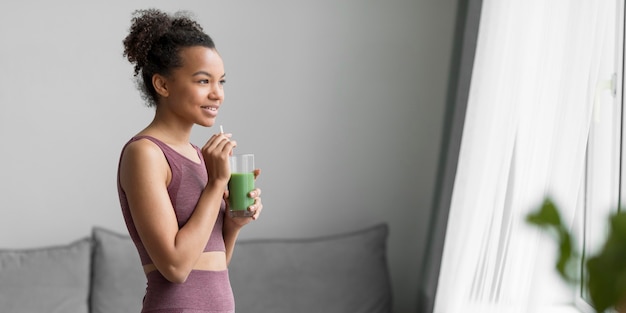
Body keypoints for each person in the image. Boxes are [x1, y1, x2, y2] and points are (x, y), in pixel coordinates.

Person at [117, 8, 263, 313]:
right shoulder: (144, 154)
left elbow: (214, 264)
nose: (217, 94)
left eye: (221, 81)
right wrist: (216, 185)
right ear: (163, 85)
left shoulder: (200, 156)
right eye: (203, 81)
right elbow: (175, 267)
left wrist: (233, 225)